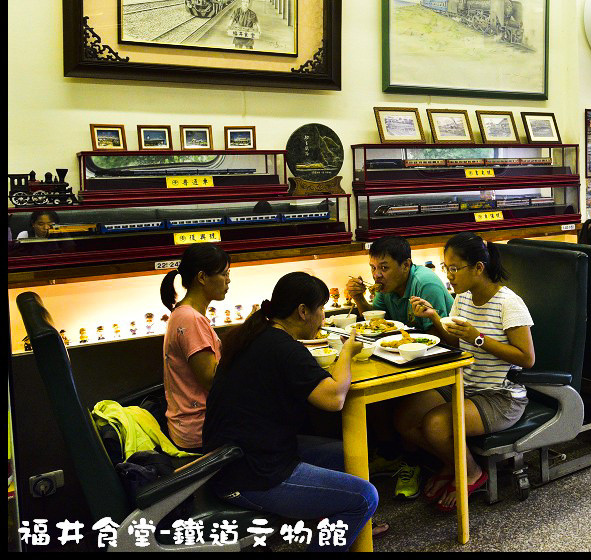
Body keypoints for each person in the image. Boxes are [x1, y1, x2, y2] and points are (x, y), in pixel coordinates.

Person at [203, 272, 379, 550]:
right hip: (250, 475)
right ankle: (345, 519)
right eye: (320, 308)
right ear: (302, 311)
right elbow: (334, 399)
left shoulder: (257, 334)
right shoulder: (283, 349)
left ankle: (342, 524)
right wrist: (347, 352)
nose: (322, 316)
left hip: (235, 457)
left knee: (351, 454)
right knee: (365, 497)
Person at [398, 232, 535, 511]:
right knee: (405, 415)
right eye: (446, 267)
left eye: (454, 268)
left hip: (501, 396)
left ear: (478, 268)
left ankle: (472, 472)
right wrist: (435, 318)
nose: (449, 276)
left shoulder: (508, 303)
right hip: (466, 384)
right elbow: (457, 342)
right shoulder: (463, 298)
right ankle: (452, 465)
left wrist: (479, 337)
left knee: (436, 425)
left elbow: (527, 359)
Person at [343, 235, 455, 498]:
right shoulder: (389, 289)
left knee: (399, 404)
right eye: (372, 268)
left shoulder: (425, 285)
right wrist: (359, 299)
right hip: (405, 361)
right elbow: (378, 322)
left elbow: (439, 342)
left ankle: (413, 464)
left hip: (442, 365)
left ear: (405, 265)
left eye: (384, 267)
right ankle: (392, 456)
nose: (377, 275)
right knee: (372, 400)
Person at [159, 243, 230, 451]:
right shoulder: (191, 319)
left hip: (188, 427)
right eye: (224, 274)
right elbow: (211, 380)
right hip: (201, 430)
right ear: (202, 277)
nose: (228, 280)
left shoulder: (182, 313)